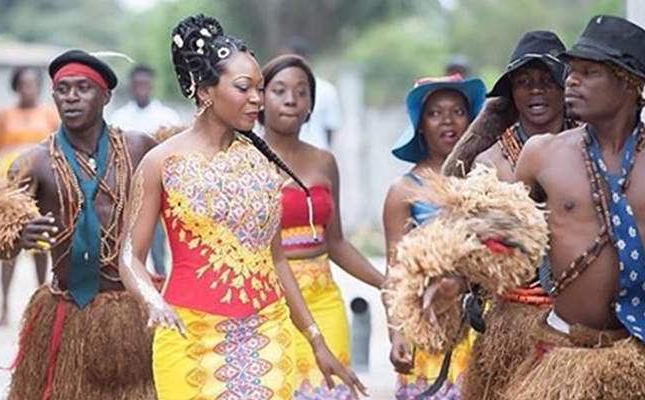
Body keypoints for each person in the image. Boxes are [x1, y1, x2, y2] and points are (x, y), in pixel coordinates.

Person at [119, 14, 367, 400]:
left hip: (268, 332)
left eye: (259, 88)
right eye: (244, 88)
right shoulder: (160, 163)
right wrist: (152, 300)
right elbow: (130, 256)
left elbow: (277, 260)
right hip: (187, 335)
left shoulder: (261, 164)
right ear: (205, 92)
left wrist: (316, 340)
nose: (257, 99)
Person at [425, 15, 645, 400]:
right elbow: (499, 236)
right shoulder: (543, 155)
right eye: (571, 71)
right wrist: (456, 279)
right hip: (561, 352)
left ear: (628, 81)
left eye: (587, 71)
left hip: (636, 353)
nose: (572, 80)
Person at [0, 49, 157, 400]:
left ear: (106, 96)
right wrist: (17, 237)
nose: (71, 97)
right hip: (67, 309)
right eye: (62, 89)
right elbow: (0, 243)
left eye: (83, 88)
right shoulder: (32, 163)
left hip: (133, 309)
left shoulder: (139, 148)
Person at [441, 30, 570, 400]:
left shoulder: (587, 153)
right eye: (525, 82)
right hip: (509, 322)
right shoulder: (488, 164)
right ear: (512, 92)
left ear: (565, 88)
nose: (536, 91)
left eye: (548, 81)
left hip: (578, 325)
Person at [259, 54, 385, 399]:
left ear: (312, 104)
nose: (291, 99)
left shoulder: (324, 161)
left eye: (302, 92)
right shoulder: (245, 162)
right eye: (279, 90)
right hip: (271, 303)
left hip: (324, 298)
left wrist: (386, 283)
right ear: (260, 99)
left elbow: (337, 242)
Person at [382, 74, 486, 399]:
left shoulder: (486, 179)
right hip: (429, 324)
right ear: (420, 125)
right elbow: (394, 269)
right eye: (435, 112)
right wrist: (396, 331)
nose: (448, 120)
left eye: (457, 111)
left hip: (483, 323)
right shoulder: (405, 190)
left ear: (471, 119)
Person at [0, 66, 59, 326]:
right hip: (12, 181)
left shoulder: (50, 114)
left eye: (33, 84)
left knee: (40, 241)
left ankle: (42, 300)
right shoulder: (4, 115)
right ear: (16, 86)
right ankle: (4, 305)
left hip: (43, 181)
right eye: (23, 84)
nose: (29, 89)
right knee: (10, 239)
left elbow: (57, 148)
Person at [111, 64, 181, 276]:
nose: (141, 88)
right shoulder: (118, 118)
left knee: (158, 249)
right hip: (128, 192)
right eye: (137, 84)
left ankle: (162, 291)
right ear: (131, 86)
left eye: (145, 84)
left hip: (159, 193)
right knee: (130, 248)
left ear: (151, 86)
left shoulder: (167, 116)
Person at [283, 37, 341, 150]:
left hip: (315, 150)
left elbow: (330, 128)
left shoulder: (326, 90)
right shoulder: (328, 89)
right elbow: (330, 129)